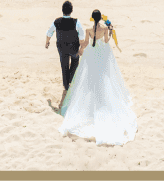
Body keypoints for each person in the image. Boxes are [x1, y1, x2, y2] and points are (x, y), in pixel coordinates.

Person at [58, 9, 136, 145]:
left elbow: (86, 43)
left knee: (88, 77)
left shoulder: (89, 30)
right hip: (102, 53)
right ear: (100, 18)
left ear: (92, 18)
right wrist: (110, 31)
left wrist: (80, 50)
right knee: (104, 76)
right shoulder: (104, 29)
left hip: (91, 54)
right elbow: (106, 41)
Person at [45, 1, 86, 108]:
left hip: (62, 47)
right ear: (71, 10)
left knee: (64, 65)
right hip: (73, 47)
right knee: (75, 62)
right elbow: (81, 35)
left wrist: (47, 42)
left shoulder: (57, 21)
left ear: (62, 10)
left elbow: (49, 32)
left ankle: (66, 85)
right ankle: (70, 80)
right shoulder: (76, 22)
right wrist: (81, 48)